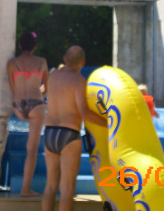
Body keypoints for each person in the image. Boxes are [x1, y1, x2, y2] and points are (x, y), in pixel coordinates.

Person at [41, 46, 109, 211]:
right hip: (68, 134)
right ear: (83, 63)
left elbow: (42, 95)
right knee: (67, 189)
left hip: (49, 132)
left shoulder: (52, 76)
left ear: (65, 59)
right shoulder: (79, 81)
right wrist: (109, 123)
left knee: (50, 186)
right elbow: (84, 112)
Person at [7, 31, 48, 197]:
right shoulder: (42, 62)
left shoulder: (12, 64)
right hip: (36, 105)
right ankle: (25, 189)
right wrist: (38, 94)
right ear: (35, 47)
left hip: (18, 105)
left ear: (19, 45)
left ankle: (22, 188)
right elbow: (47, 88)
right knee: (32, 150)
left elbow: (13, 88)